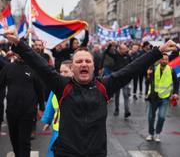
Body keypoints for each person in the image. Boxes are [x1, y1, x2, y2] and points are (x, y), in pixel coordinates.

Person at [4, 29, 178, 157]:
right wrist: (19, 44)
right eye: (79, 61)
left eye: (88, 61)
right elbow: (38, 64)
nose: (84, 64)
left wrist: (158, 52)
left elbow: (131, 70)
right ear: (73, 68)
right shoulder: (61, 85)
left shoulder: (105, 86)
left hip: (96, 153)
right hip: (66, 153)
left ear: (94, 67)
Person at [0, 53, 45, 157]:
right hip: (11, 111)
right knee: (14, 140)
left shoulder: (34, 68)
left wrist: (42, 107)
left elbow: (40, 90)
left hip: (28, 111)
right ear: (15, 53)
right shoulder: (8, 68)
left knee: (24, 141)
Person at [41, 60, 73, 157]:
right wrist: (48, 121)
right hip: (57, 130)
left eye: (65, 72)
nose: (62, 74)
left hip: (73, 131)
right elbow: (51, 105)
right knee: (53, 153)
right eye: (61, 72)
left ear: (73, 72)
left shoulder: (78, 87)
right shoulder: (56, 87)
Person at [146, 53, 178, 142]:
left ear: (168, 61)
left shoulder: (171, 70)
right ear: (160, 60)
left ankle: (157, 133)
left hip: (164, 97)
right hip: (153, 97)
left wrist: (175, 93)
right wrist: (148, 75)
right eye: (163, 59)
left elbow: (176, 82)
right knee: (150, 117)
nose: (164, 61)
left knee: (161, 117)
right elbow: (148, 82)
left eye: (166, 59)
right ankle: (150, 133)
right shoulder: (154, 68)